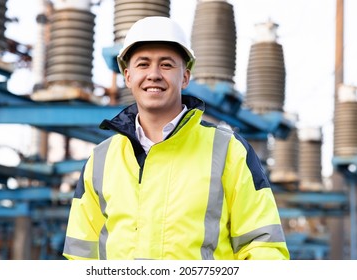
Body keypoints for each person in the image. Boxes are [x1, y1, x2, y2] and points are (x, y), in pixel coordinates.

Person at [62, 16, 290, 260]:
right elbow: (81, 254)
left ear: (185, 77)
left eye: (167, 65)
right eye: (143, 64)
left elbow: (264, 248)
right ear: (128, 77)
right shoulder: (101, 160)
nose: (154, 74)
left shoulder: (228, 151)